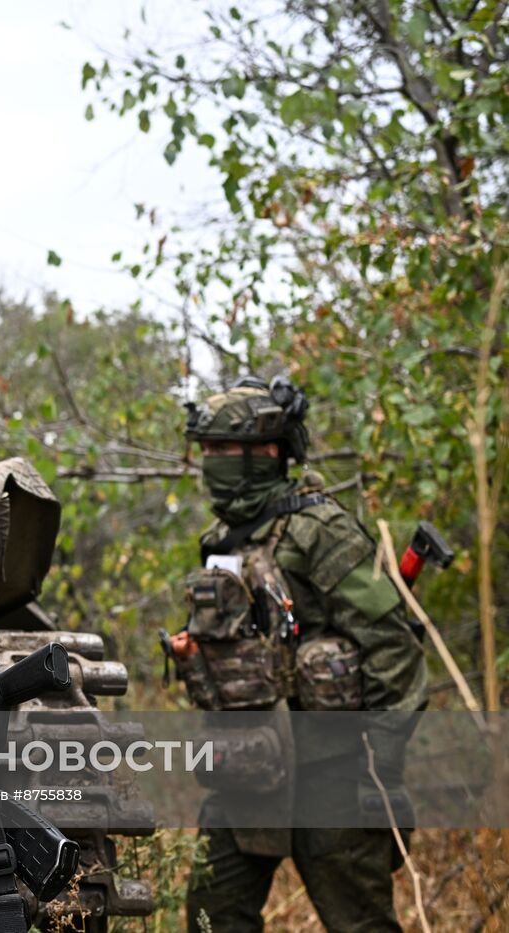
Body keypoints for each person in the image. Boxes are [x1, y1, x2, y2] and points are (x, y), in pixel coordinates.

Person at [174, 377, 428, 932]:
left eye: (223, 450)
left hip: (332, 773)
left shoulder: (321, 531)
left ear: (268, 451)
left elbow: (395, 653)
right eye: (206, 451)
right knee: (211, 920)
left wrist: (377, 768)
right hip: (246, 768)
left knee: (360, 924)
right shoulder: (222, 541)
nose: (210, 463)